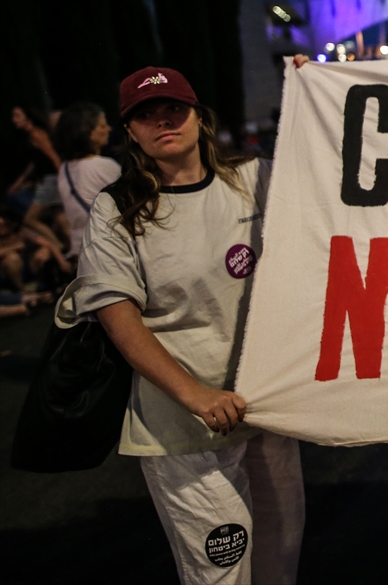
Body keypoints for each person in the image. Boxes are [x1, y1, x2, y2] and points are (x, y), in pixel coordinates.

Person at [55, 65, 307, 584]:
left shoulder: (255, 179)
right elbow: (115, 313)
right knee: (222, 574)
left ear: (199, 117)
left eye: (173, 108)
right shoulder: (119, 207)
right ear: (130, 131)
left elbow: (335, 173)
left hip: (268, 411)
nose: (162, 121)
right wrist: (195, 395)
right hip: (183, 428)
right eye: (145, 115)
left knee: (279, 562)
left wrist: (315, 87)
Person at [52, 102, 121, 259]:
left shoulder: (64, 170)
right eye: (102, 126)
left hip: (81, 249)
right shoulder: (104, 165)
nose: (108, 129)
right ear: (88, 133)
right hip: (107, 248)